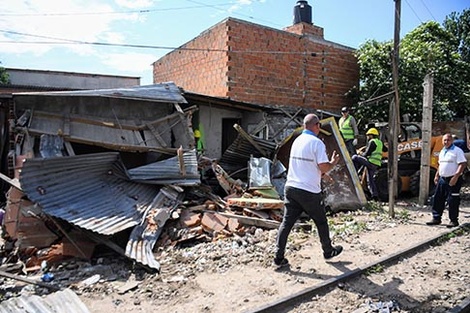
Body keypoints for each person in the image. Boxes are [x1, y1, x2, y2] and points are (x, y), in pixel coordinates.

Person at [274, 113, 343, 268]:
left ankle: (278, 256)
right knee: (321, 221)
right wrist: (331, 164)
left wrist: (324, 176)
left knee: (286, 223)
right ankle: (328, 251)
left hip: (291, 188)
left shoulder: (297, 141)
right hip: (309, 192)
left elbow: (307, 166)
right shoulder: (317, 143)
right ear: (317, 126)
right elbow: (322, 165)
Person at [426, 133, 467, 228]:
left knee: (453, 200)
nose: (446, 142)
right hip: (442, 179)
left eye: (448, 140)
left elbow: (462, 164)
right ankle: (436, 218)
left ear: (452, 141)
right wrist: (437, 176)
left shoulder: (457, 151)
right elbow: (440, 165)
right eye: (444, 140)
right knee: (438, 198)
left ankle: (453, 220)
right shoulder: (442, 151)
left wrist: (456, 177)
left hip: (453, 178)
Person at [351, 127, 386, 201]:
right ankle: (374, 196)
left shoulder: (372, 142)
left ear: (371, 135)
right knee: (370, 180)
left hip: (371, 162)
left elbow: (366, 154)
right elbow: (385, 149)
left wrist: (360, 154)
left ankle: (354, 172)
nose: (367, 137)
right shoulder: (380, 143)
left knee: (354, 157)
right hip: (376, 164)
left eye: (368, 135)